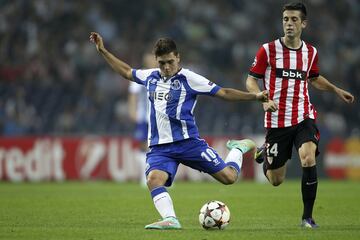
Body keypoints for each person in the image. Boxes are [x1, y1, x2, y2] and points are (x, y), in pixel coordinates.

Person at [90, 32, 268, 230]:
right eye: (161, 63)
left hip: (188, 143)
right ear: (156, 61)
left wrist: (255, 97)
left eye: (170, 62)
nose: (166, 67)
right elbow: (126, 71)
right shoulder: (150, 76)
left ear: (178, 58)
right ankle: (171, 219)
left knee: (229, 178)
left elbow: (223, 92)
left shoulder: (189, 78)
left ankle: (239, 148)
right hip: (160, 147)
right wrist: (103, 51)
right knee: (153, 179)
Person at [246, 2, 355, 228]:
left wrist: (336, 89)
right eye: (286, 19)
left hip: (303, 115)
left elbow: (314, 78)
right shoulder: (267, 50)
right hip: (277, 120)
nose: (289, 24)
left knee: (308, 156)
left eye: (294, 19)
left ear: (303, 23)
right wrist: (262, 98)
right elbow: (250, 80)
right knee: (276, 180)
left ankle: (307, 217)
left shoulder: (310, 52)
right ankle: (265, 152)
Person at [128, 53, 156, 187]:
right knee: (142, 146)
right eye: (149, 59)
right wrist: (132, 111)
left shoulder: (162, 76)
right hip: (143, 117)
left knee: (157, 147)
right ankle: (143, 176)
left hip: (157, 118)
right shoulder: (140, 75)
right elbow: (133, 95)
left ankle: (160, 177)